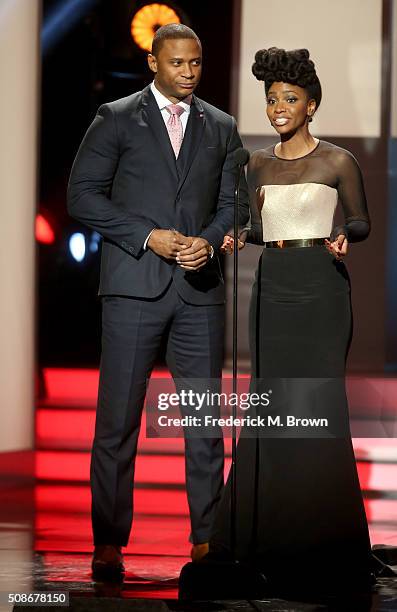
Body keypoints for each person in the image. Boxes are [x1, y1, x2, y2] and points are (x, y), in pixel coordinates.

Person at [67, 23, 249, 578]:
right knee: (117, 421)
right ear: (154, 63)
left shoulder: (221, 125)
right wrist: (149, 236)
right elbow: (81, 196)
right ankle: (109, 542)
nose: (189, 73)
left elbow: (234, 204)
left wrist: (210, 239)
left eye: (196, 63)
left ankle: (205, 540)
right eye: (178, 64)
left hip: (197, 291)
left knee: (202, 421)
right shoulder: (117, 118)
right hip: (134, 287)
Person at [209, 47, 373, 596]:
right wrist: (234, 236)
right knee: (273, 401)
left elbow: (360, 220)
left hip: (322, 288)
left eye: (290, 99)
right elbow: (250, 227)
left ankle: (322, 535)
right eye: (273, 99)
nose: (279, 107)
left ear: (312, 105)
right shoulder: (253, 164)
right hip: (274, 285)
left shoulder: (338, 162)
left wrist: (348, 235)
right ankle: (263, 532)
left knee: (318, 403)